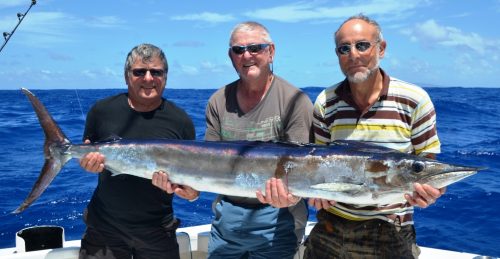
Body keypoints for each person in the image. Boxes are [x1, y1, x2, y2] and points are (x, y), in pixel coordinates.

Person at [303, 14, 446, 259]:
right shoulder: (326, 102)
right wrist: (314, 195)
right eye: (344, 48)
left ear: (381, 48)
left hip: (390, 229)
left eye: (362, 45)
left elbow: (429, 169)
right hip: (330, 226)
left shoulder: (415, 100)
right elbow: (314, 166)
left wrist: (430, 194)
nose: (353, 55)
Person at [78, 43, 198, 259]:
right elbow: (88, 153)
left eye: (156, 72)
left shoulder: (181, 121)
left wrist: (191, 194)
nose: (148, 78)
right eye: (139, 72)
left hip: (158, 230)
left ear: (166, 77)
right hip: (104, 229)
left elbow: (189, 181)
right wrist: (88, 164)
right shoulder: (101, 111)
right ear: (126, 77)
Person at [205, 21, 313, 258]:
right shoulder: (217, 101)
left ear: (271, 51)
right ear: (230, 56)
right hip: (228, 219)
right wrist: (186, 187)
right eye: (238, 50)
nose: (246, 55)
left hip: (278, 217)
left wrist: (292, 196)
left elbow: (300, 170)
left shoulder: (295, 100)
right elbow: (209, 163)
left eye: (255, 48)